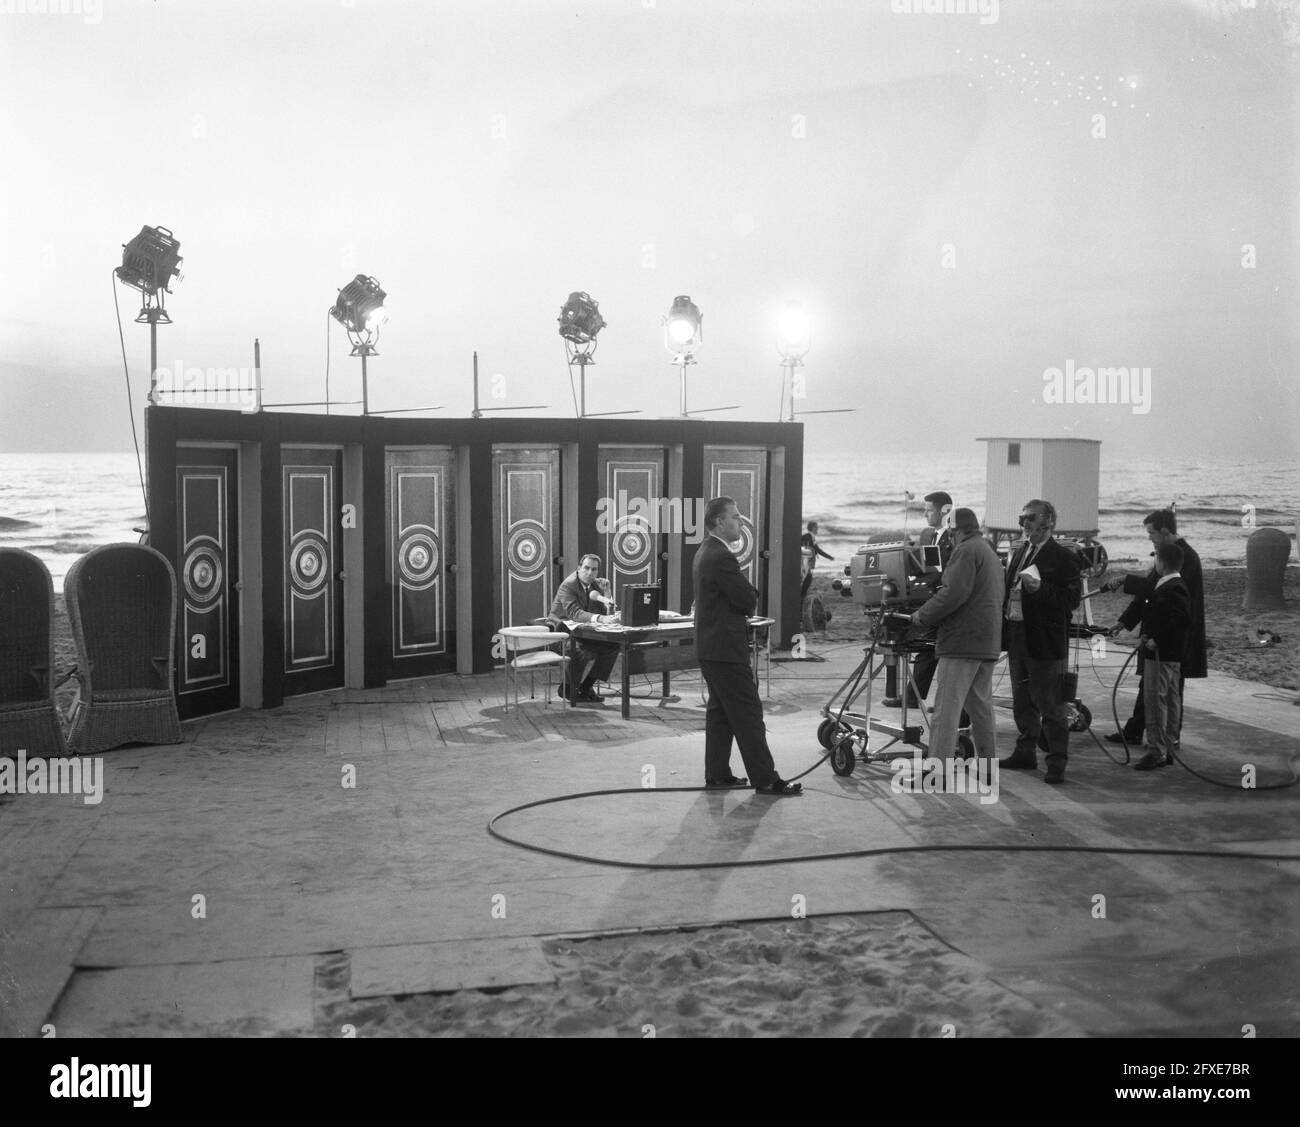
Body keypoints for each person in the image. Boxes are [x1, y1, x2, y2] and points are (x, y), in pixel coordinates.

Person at [694, 496, 801, 796]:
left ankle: (717, 775)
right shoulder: (721, 556)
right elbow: (746, 598)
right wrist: (748, 592)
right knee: (748, 712)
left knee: (720, 711)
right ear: (719, 521)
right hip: (725, 650)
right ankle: (766, 779)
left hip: (711, 648)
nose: (741, 521)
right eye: (736, 516)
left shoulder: (705, 551)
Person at [1103, 509, 1205, 749]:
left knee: (1170, 689)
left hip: (1171, 638)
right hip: (1157, 636)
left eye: (1151, 533)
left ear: (1165, 531)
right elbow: (1149, 591)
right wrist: (1124, 621)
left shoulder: (1185, 557)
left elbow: (1158, 589)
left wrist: (1127, 581)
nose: (1149, 537)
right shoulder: (1169, 554)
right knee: (1149, 685)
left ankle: (1171, 737)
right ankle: (1135, 730)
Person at [909, 507, 1002, 768]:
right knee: (981, 709)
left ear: (955, 530)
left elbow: (953, 594)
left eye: (950, 534)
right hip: (986, 641)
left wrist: (921, 616)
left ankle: (936, 770)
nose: (949, 539)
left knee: (945, 711)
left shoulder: (966, 551)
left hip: (962, 643)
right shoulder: (988, 551)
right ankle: (987, 767)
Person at [998, 499, 1082, 784]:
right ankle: (1025, 750)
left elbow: (1071, 600)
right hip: (1018, 634)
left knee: (1051, 703)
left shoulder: (1063, 558)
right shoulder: (1020, 551)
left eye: (1031, 518)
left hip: (1045, 641)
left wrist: (1041, 588)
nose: (1025, 524)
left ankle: (1057, 762)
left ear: (1049, 522)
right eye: (1022, 518)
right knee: (1022, 700)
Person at [1131, 542, 1192, 771]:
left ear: (1162, 562)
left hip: (1161, 654)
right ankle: (1167, 745)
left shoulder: (1172, 586)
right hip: (1171, 655)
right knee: (1170, 699)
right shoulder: (1171, 584)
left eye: (1156, 559)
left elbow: (1180, 620)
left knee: (1155, 701)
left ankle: (1157, 750)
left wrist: (1157, 639)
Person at [907, 490, 956, 709]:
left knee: (939, 651)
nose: (925, 515)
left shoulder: (956, 537)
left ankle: (914, 697)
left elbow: (949, 571)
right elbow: (930, 568)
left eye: (929, 510)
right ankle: (912, 696)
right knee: (927, 647)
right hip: (931, 598)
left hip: (948, 600)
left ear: (944, 511)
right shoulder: (927, 535)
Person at [548, 553, 620, 704]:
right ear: (579, 568)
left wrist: (607, 593)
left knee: (613, 646)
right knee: (581, 650)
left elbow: (605, 613)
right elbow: (575, 613)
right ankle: (567, 689)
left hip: (583, 634)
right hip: (561, 634)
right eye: (586, 568)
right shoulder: (568, 585)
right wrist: (601, 618)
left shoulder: (595, 585)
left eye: (594, 570)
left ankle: (586, 686)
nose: (589, 573)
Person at [800, 520, 834, 601]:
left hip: (807, 561)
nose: (817, 529)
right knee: (807, 578)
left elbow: (816, 549)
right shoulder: (808, 537)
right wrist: (829, 557)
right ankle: (802, 597)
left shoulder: (809, 537)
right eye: (816, 527)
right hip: (807, 561)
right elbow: (811, 550)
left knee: (806, 578)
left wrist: (828, 556)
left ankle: (802, 596)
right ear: (812, 528)